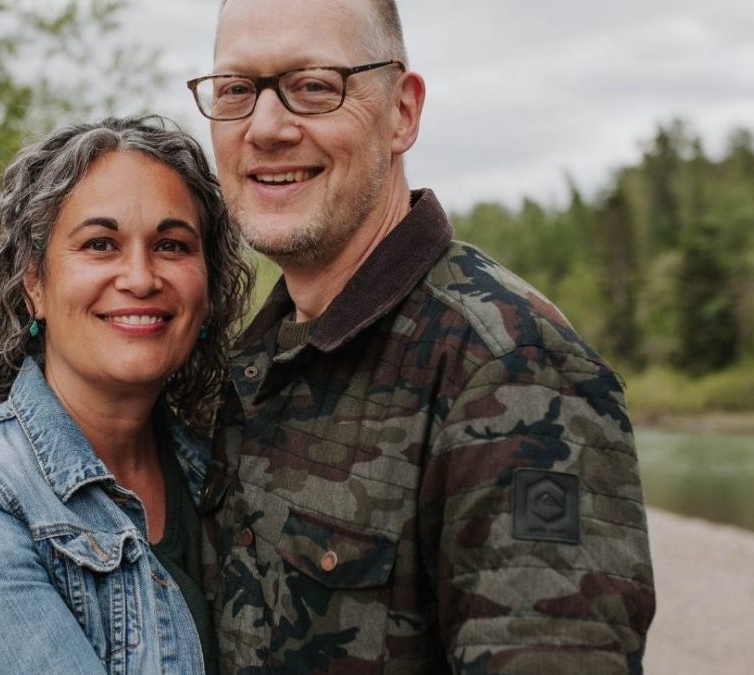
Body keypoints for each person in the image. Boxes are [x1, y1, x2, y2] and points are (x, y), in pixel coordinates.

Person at [188, 1, 656, 673]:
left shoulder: (512, 370)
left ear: (402, 112)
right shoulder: (248, 368)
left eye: (314, 86)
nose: (265, 127)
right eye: (236, 90)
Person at [0, 116, 253, 674]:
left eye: (172, 245)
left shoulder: (229, 472)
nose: (140, 277)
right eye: (100, 244)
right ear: (33, 284)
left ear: (208, 286)